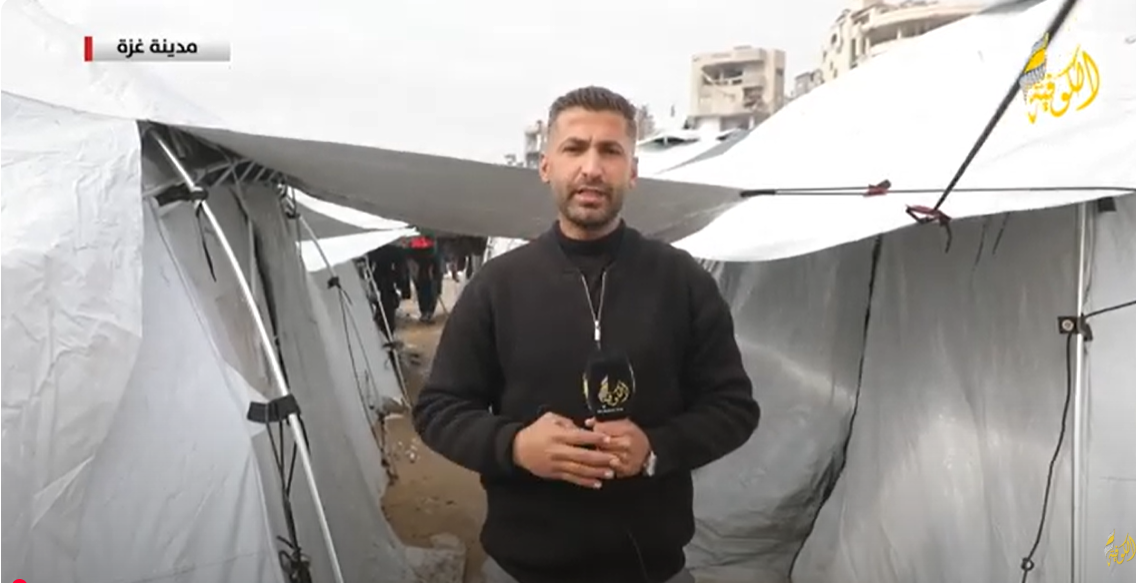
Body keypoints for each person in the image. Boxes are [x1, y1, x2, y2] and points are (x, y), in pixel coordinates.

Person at [412, 86, 760, 583]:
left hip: (652, 569)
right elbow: (438, 409)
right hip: (522, 568)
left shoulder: (682, 281)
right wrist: (515, 446)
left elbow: (733, 407)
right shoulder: (498, 285)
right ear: (546, 165)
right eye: (574, 148)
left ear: (632, 171)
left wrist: (655, 447)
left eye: (610, 151)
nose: (592, 168)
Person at [364, 243, 409, 337]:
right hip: (388, 284)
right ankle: (387, 333)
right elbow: (401, 271)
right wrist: (402, 286)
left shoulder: (374, 250)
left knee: (382, 308)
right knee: (387, 310)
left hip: (380, 282)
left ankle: (384, 331)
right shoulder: (396, 251)